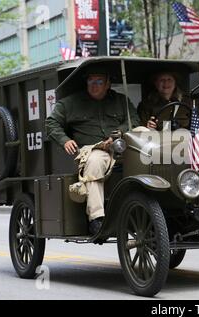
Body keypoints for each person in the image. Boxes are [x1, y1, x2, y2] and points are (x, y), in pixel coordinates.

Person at [45, 64, 139, 235]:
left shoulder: (120, 100)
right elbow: (51, 123)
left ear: (108, 84)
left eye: (99, 81)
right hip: (92, 150)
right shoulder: (71, 102)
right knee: (95, 162)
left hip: (122, 147)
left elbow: (135, 121)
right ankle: (96, 218)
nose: (94, 85)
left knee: (145, 136)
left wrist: (118, 135)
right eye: (91, 81)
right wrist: (65, 140)